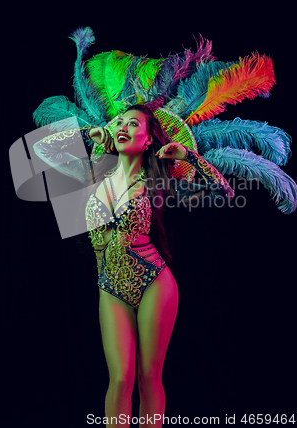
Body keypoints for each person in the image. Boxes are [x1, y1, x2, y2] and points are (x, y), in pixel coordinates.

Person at [33, 103, 234, 427]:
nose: (123, 127)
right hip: (110, 287)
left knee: (148, 377)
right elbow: (41, 149)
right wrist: (88, 133)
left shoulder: (160, 185)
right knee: (120, 380)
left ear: (149, 140)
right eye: (120, 123)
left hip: (155, 282)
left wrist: (188, 156)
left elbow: (223, 193)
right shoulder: (91, 174)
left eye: (133, 125)